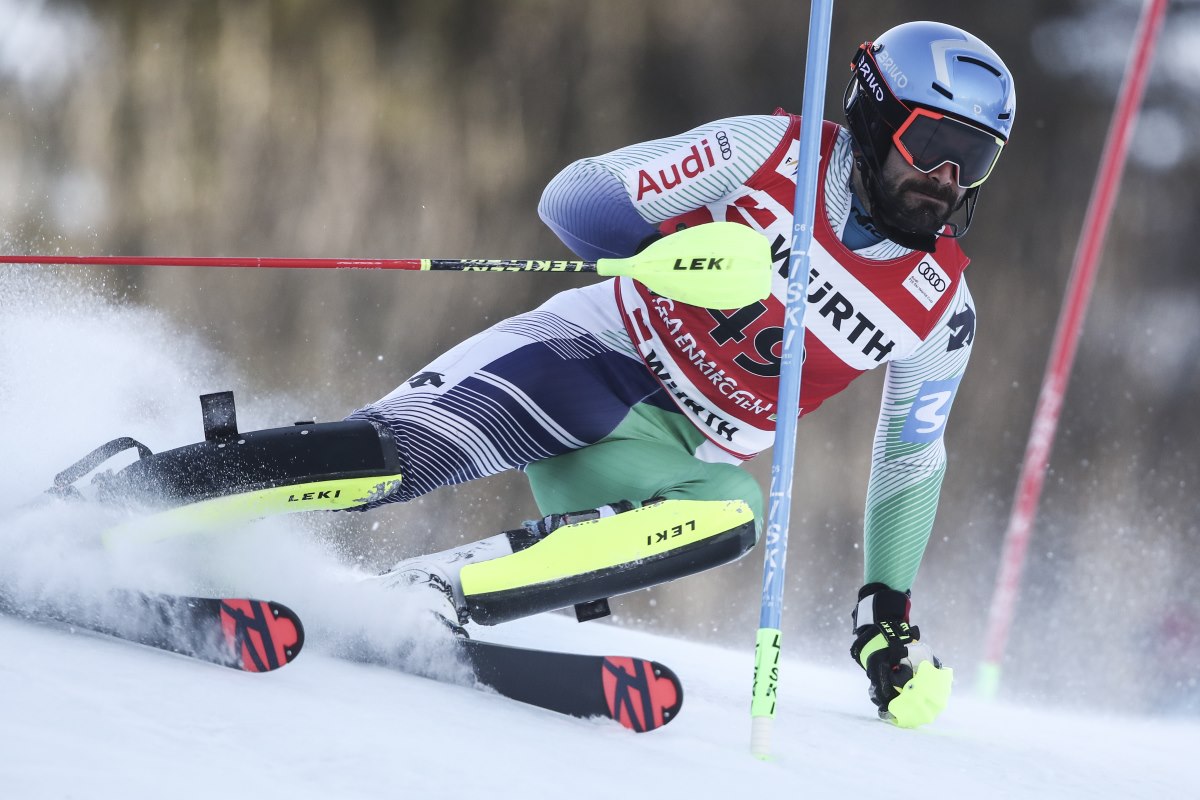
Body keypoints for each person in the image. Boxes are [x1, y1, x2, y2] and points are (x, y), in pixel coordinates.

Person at [348, 20, 1016, 725]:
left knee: (735, 514)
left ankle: (432, 588)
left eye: (974, 159)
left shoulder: (941, 308)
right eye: (934, 145)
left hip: (662, 461)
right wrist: (673, 252)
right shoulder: (771, 151)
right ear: (877, 121)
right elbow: (575, 195)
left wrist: (884, 617)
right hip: (581, 357)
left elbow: (911, 458)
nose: (947, 178)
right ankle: (236, 483)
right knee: (374, 461)